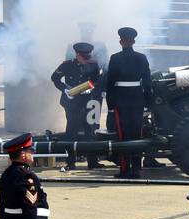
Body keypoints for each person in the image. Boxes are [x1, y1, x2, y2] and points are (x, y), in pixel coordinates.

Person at [104, 27, 152, 178]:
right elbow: (147, 82)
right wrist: (147, 101)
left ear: (121, 41)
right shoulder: (141, 57)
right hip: (137, 99)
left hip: (121, 100)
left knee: (122, 135)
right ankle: (136, 168)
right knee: (136, 134)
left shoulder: (115, 58)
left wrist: (110, 104)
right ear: (133, 41)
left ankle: (125, 169)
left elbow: (110, 83)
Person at [50, 41, 104, 170]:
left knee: (89, 132)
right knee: (71, 131)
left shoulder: (94, 65)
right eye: (84, 57)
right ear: (77, 55)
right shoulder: (67, 65)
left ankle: (92, 161)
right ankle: (71, 162)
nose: (86, 60)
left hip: (87, 101)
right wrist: (64, 90)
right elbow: (55, 78)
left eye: (88, 57)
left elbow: (97, 79)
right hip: (71, 102)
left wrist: (91, 88)